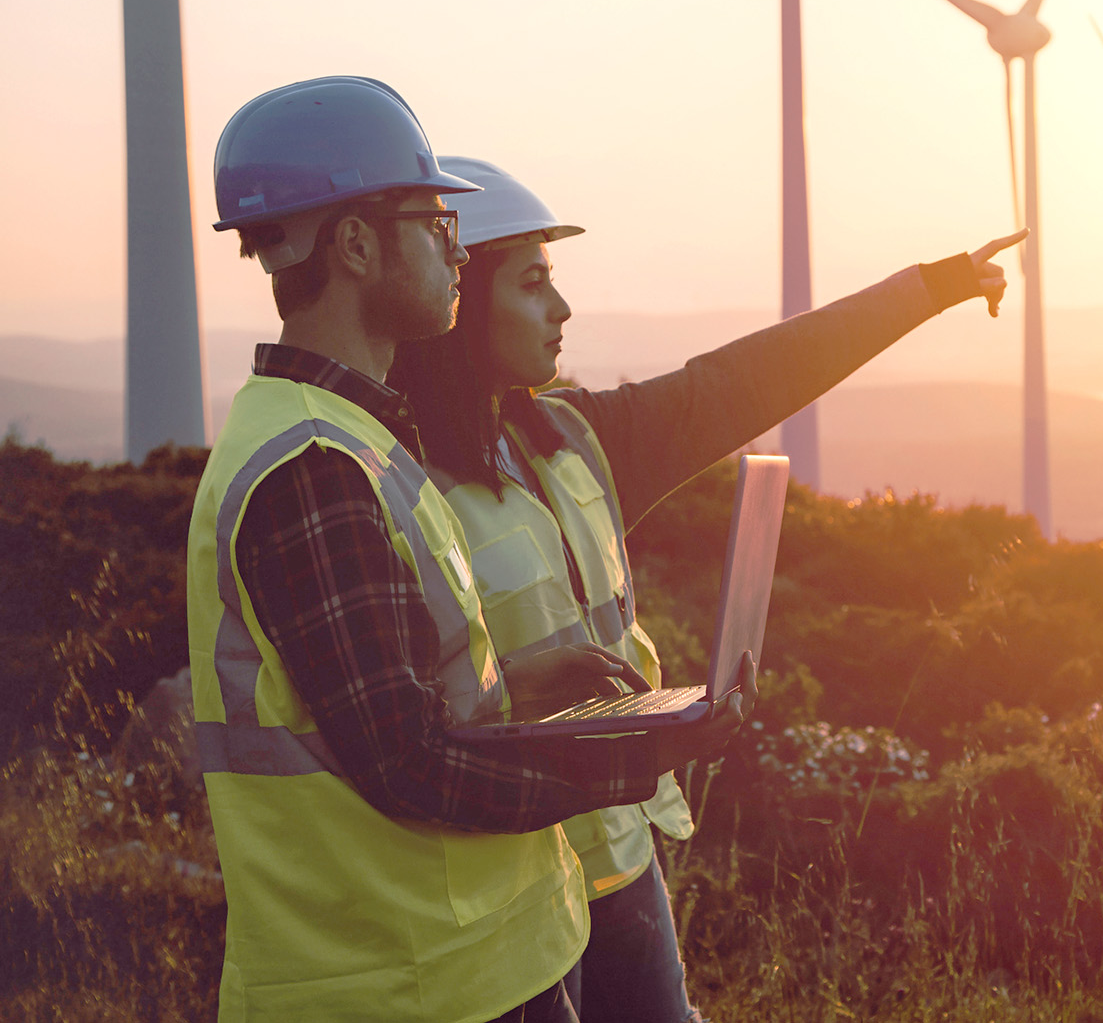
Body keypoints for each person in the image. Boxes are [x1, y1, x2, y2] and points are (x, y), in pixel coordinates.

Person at [386, 157, 1024, 1021]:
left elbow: (745, 379)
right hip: (505, 888)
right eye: (533, 284)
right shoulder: (395, 485)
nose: (562, 309)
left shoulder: (574, 441)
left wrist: (928, 289)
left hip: (620, 854)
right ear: (461, 303)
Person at [184, 77, 749, 1023]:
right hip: (408, 985)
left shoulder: (357, 439)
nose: (457, 248)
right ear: (357, 245)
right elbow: (408, 763)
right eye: (437, 221)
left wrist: (525, 686)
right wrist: (637, 756)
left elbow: (391, 705)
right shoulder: (311, 470)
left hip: (471, 965)